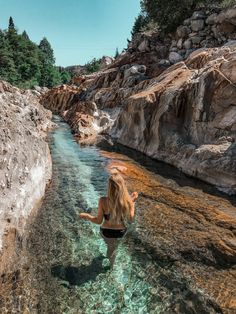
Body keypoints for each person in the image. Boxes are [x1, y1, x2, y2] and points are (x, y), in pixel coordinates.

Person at [79, 172, 138, 268]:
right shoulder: (127, 202)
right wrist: (132, 204)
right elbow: (131, 219)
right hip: (120, 232)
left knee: (110, 248)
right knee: (113, 249)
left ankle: (110, 267)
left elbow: (98, 221)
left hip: (106, 232)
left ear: (109, 187)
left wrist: (87, 216)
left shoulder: (103, 201)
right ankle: (111, 266)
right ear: (122, 186)